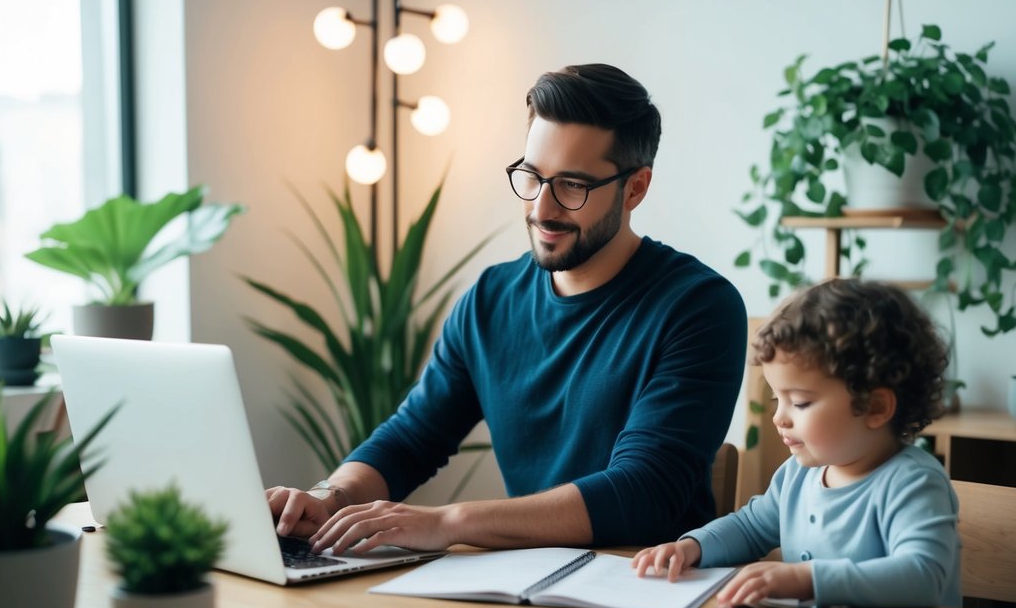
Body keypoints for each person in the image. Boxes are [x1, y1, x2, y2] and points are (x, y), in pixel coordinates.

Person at [268, 63, 747, 553]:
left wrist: (448, 522)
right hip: (525, 590)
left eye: (572, 186)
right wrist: (329, 498)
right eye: (532, 177)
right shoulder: (491, 300)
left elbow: (643, 492)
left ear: (635, 188)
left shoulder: (699, 308)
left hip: (648, 593)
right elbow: (411, 438)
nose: (542, 208)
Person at [632, 278, 962, 608]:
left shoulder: (913, 482)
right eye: (777, 399)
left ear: (875, 408)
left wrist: (807, 580)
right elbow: (749, 528)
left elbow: (923, 575)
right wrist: (693, 547)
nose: (779, 417)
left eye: (800, 403)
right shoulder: (796, 475)